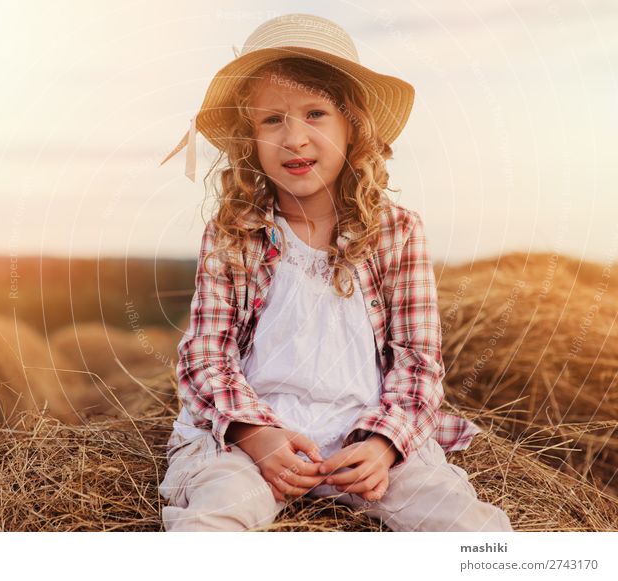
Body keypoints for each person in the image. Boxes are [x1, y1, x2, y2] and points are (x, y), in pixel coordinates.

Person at [157, 13, 513, 532]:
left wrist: (384, 446)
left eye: (315, 113)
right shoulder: (232, 232)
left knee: (469, 528)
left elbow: (418, 360)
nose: (294, 138)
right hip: (261, 434)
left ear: (353, 127)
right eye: (271, 120)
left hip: (361, 438)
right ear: (248, 141)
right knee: (212, 521)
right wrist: (255, 437)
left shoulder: (397, 232)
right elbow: (205, 352)